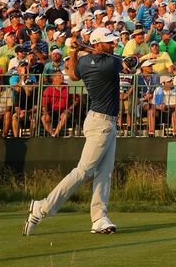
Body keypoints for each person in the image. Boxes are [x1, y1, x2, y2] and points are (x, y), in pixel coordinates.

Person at [24, 27, 122, 236]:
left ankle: (99, 218)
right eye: (109, 42)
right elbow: (130, 63)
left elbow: (72, 75)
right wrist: (81, 50)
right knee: (83, 171)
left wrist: (74, 51)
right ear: (98, 44)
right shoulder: (111, 64)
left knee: (105, 172)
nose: (114, 44)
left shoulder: (84, 62)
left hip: (101, 121)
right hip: (101, 124)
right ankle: (42, 207)